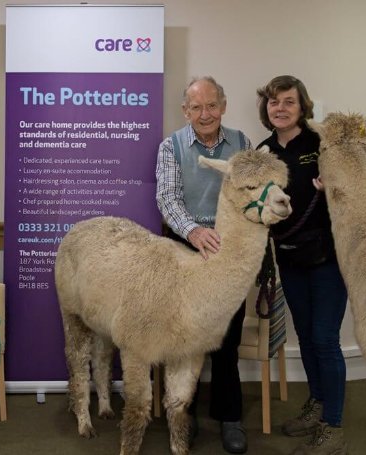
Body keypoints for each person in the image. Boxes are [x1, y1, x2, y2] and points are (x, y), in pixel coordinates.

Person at [155, 76, 249, 454]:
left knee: (227, 339)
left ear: (223, 106)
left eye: (212, 105)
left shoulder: (243, 144)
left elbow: (253, 191)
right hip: (186, 250)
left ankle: (230, 418)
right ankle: (184, 414)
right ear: (185, 111)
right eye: (196, 107)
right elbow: (167, 198)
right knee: (184, 338)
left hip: (230, 254)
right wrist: (193, 232)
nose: (205, 114)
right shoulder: (171, 147)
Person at [256, 75, 348, 455]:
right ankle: (318, 404)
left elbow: (355, 182)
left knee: (325, 339)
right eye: (274, 102)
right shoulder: (262, 152)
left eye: (288, 101)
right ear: (266, 108)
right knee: (307, 337)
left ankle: (334, 427)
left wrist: (336, 184)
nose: (280, 108)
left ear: (302, 106)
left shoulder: (322, 142)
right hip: (289, 257)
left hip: (327, 258)